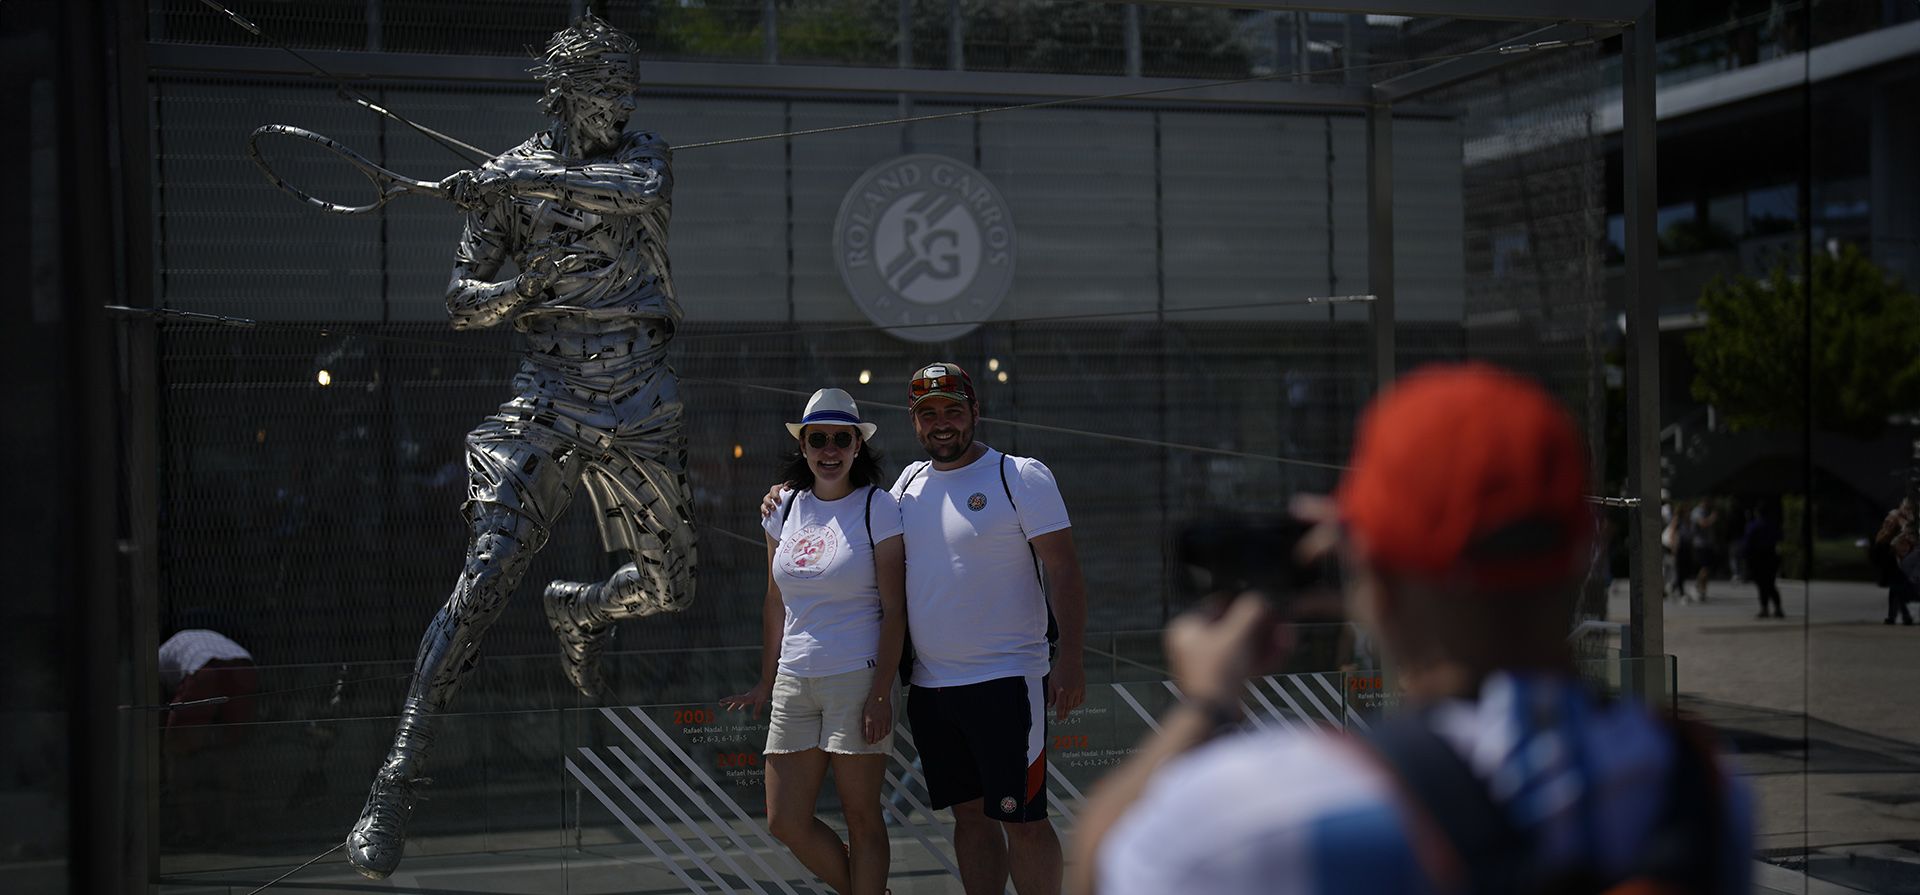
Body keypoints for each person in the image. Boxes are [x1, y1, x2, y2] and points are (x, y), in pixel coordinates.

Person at [1072, 363, 1753, 895]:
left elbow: (1096, 873)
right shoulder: (1697, 788)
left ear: (1370, 572)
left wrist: (1207, 705)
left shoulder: (1264, 815)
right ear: (1584, 551)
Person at [346, 15, 699, 879]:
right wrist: (519, 289)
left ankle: (580, 608)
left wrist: (515, 177)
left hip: (641, 396)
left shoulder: (639, 154)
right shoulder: (502, 186)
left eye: (627, 88)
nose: (620, 104)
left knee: (666, 589)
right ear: (561, 91)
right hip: (546, 399)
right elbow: (462, 303)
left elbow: (632, 192)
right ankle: (397, 776)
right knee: (487, 572)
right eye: (605, 89)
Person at [761, 361, 1089, 895]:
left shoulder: (1019, 474)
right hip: (934, 689)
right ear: (913, 421)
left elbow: (1065, 570)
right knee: (972, 822)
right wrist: (784, 492)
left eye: (953, 411)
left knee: (1023, 821)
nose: (942, 423)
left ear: (975, 413)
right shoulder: (907, 484)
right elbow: (837, 505)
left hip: (1009, 680)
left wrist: (1070, 659)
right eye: (928, 413)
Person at [722, 389, 906, 895]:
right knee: (785, 820)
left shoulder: (878, 507)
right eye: (817, 439)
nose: (829, 449)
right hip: (794, 679)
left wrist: (882, 690)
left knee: (862, 818)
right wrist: (766, 679)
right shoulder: (781, 507)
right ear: (803, 447)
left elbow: (896, 609)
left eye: (840, 439)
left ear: (856, 447)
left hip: (857, 677)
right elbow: (774, 600)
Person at [1871, 497, 1916, 626]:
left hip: (1897, 554)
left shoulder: (1909, 518)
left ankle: (1892, 616)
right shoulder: (1895, 516)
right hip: (1888, 553)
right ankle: (1905, 616)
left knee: (1895, 586)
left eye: (1910, 508)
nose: (1908, 510)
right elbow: (1885, 536)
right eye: (1907, 507)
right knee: (1898, 584)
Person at [1743, 506, 1784, 619]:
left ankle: (1764, 608)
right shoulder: (1772, 525)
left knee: (1761, 584)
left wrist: (1746, 558)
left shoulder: (1753, 526)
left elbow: (1748, 543)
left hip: (1758, 557)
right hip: (1771, 555)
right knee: (1770, 583)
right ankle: (1777, 607)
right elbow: (1780, 538)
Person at [1690, 499, 1722, 602]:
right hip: (1700, 544)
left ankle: (1703, 591)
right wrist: (1712, 518)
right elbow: (1703, 524)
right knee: (1705, 568)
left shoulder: (1706, 511)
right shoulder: (1697, 512)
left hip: (1708, 544)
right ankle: (1698, 585)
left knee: (1707, 569)